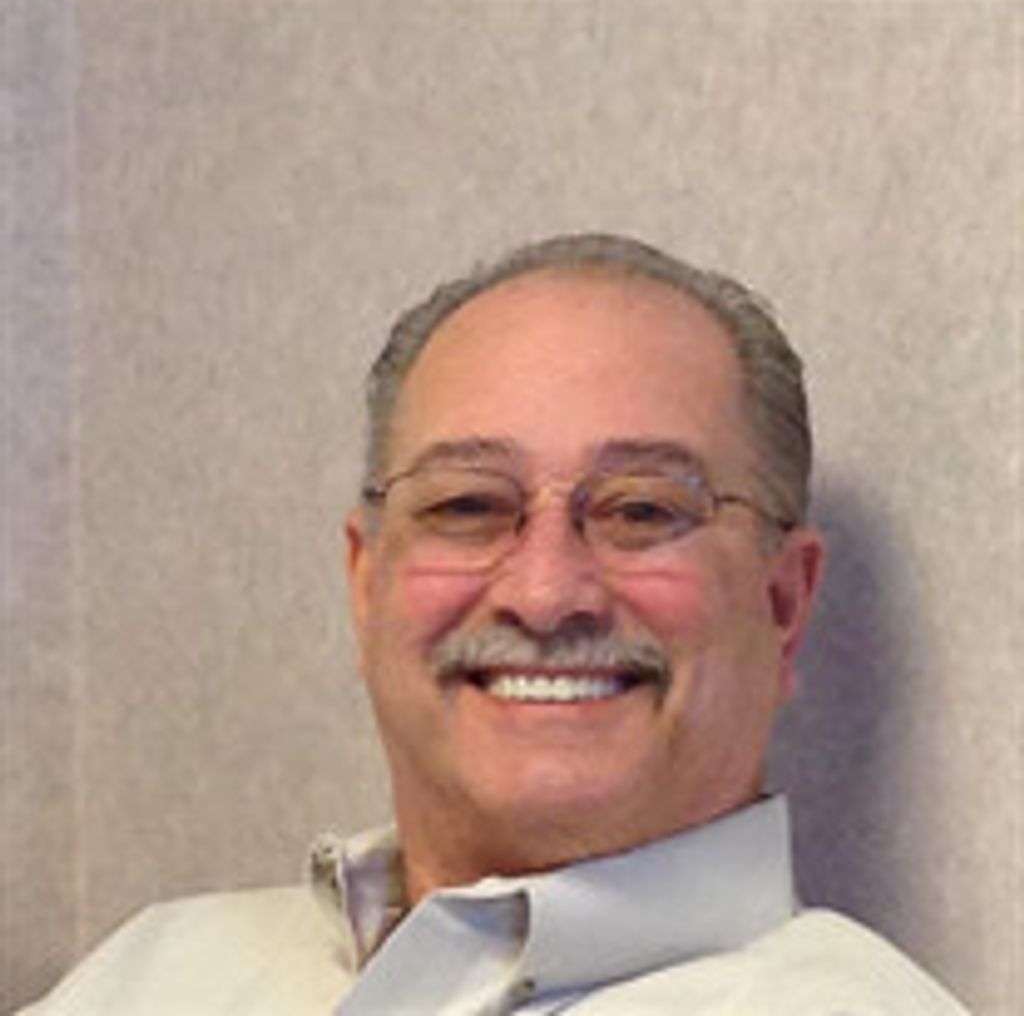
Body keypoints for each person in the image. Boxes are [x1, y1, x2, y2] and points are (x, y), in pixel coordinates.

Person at [18, 234, 969, 1014]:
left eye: (642, 510)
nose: (545, 592)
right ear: (366, 585)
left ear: (783, 605)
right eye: (467, 506)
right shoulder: (150, 971)